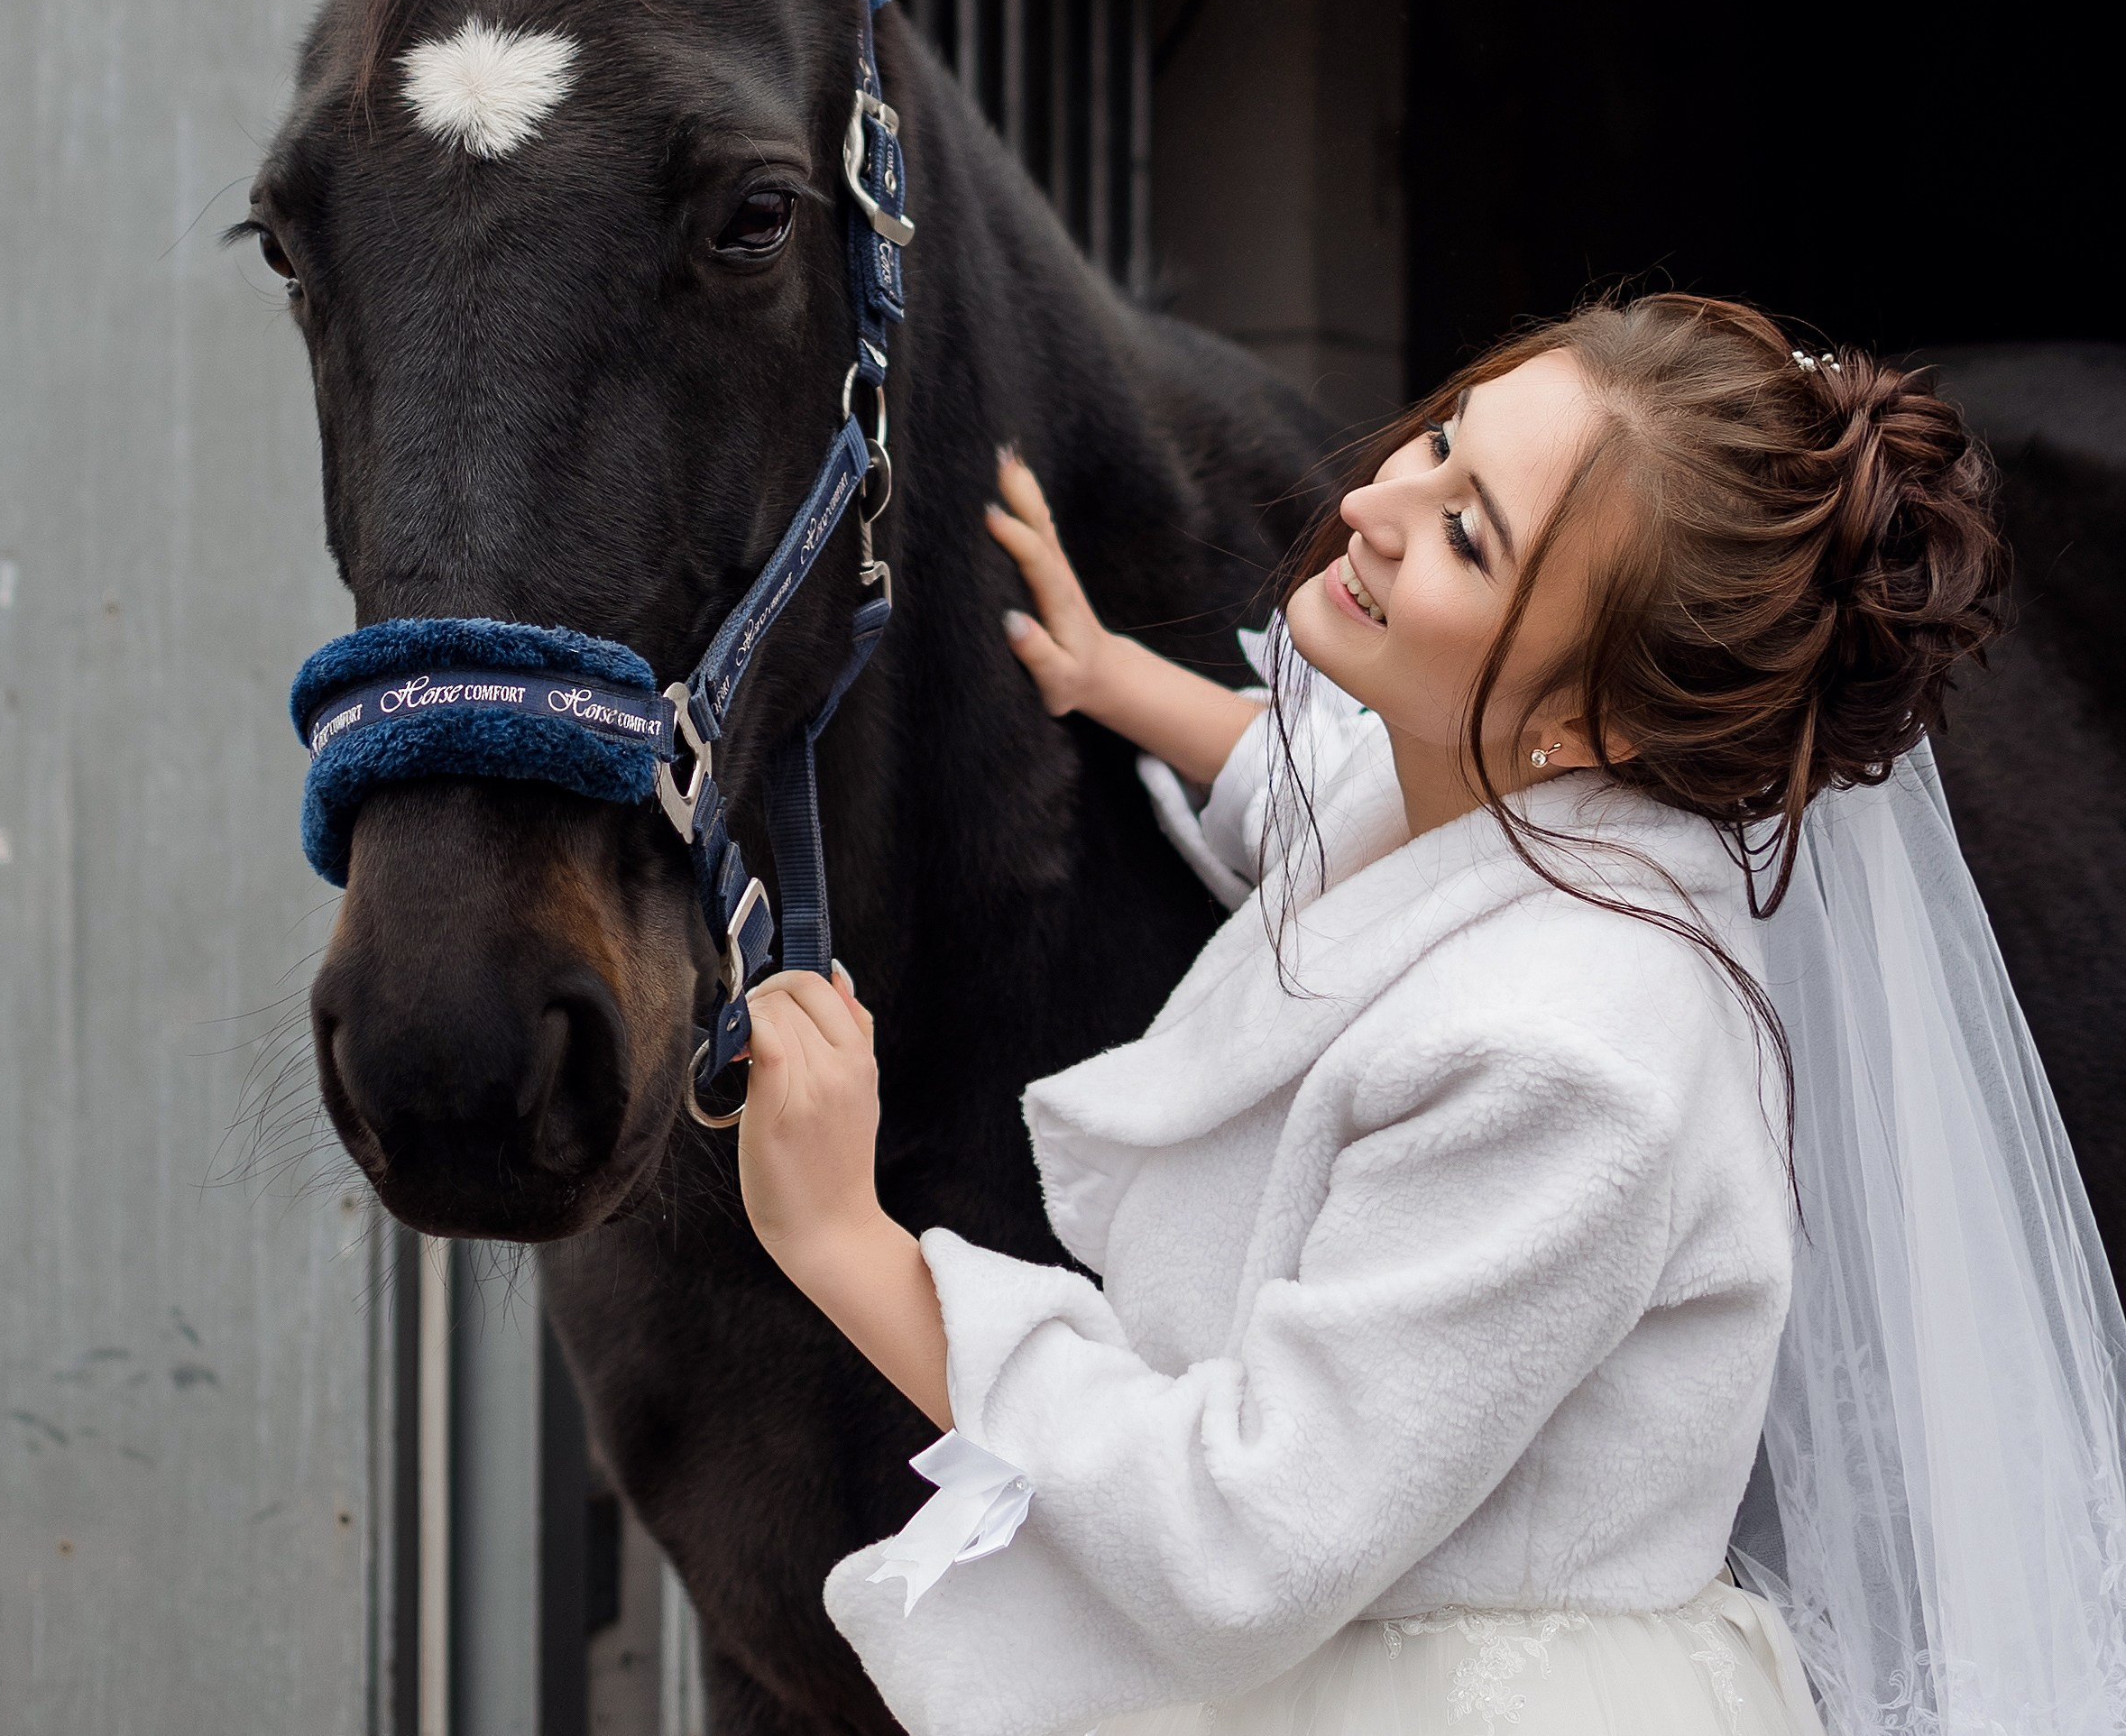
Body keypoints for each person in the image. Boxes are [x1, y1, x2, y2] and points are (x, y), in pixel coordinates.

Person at [729, 293, 2122, 1736]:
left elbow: (1246, 1534)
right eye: (1445, 441)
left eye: (1467, 534)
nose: (1373, 506)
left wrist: (842, 1240)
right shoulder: (1513, 804)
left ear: (1599, 721)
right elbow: (1322, 798)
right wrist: (1114, 677)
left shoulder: (1566, 1059)